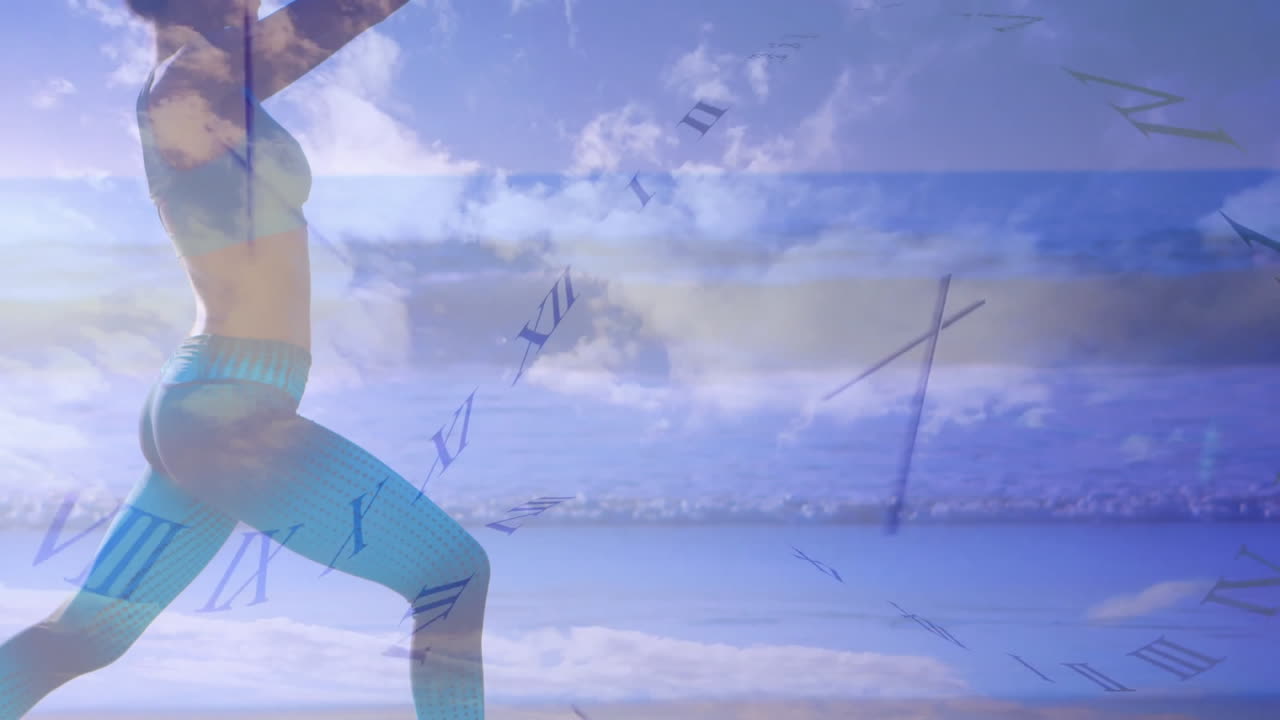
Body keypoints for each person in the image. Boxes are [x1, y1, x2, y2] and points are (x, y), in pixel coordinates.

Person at [0, 2, 490, 718]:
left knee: (85, 638)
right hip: (228, 410)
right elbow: (333, 18)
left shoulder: (200, 87)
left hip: (211, 400)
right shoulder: (183, 87)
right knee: (452, 575)